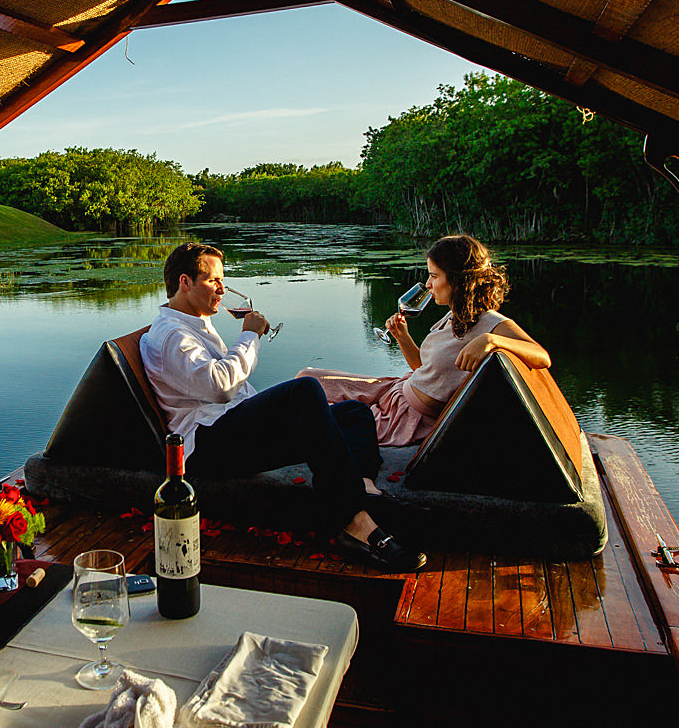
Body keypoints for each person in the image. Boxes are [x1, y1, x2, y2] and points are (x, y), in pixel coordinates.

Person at [140, 241, 426, 571]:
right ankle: (356, 525)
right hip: (206, 445)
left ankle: (361, 488)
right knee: (305, 390)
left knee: (354, 413)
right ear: (185, 282)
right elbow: (219, 387)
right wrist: (249, 337)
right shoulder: (172, 335)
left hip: (230, 428)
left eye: (223, 280)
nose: (223, 289)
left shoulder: (194, 324)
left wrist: (273, 412)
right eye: (213, 281)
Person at [299, 234, 551, 446]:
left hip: (406, 418)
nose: (428, 284)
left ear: (459, 280)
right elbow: (423, 368)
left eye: (434, 276)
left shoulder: (489, 323)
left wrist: (491, 340)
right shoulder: (454, 315)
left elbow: (541, 356)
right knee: (308, 379)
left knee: (308, 418)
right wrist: (403, 337)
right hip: (395, 391)